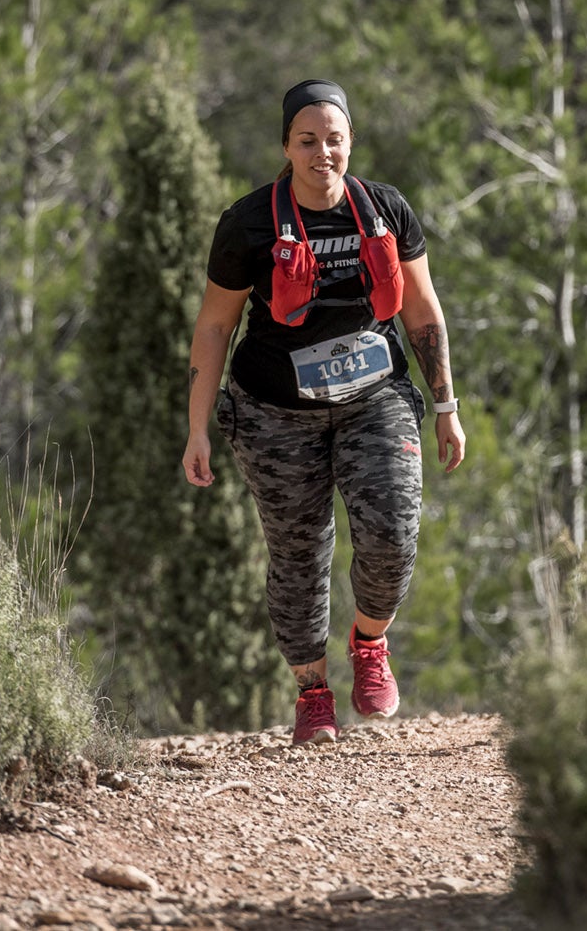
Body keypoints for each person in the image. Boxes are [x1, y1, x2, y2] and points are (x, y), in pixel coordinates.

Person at [182, 79, 466, 745]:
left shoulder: (387, 209)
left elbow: (423, 312)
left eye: (333, 138)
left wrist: (448, 405)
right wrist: (197, 425)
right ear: (286, 145)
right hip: (275, 411)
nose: (322, 152)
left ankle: (369, 641)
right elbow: (214, 329)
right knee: (297, 553)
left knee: (393, 533)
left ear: (350, 142)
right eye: (307, 140)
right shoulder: (248, 224)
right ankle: (312, 688)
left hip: (375, 399)